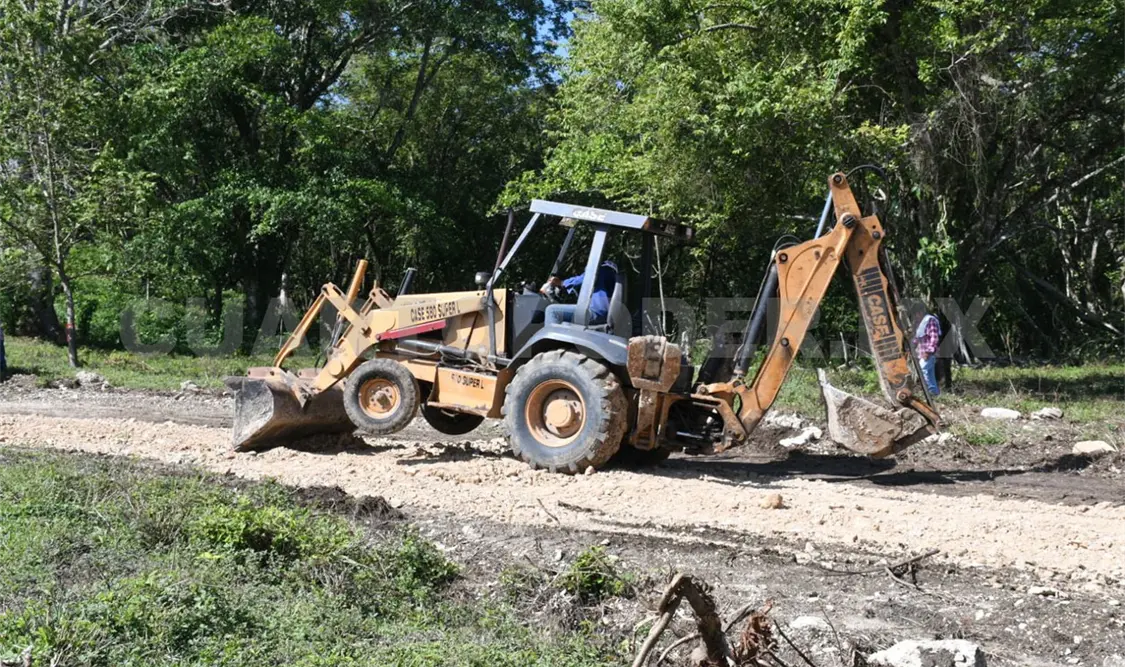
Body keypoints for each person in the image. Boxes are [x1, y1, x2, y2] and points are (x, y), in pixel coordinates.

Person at [542, 260, 618, 326]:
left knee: (552, 310)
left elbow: (584, 278)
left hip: (595, 313)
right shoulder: (612, 277)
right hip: (603, 315)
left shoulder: (603, 271)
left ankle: (551, 342)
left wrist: (562, 283)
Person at [912, 303, 941, 396]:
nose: (915, 317)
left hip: (928, 354)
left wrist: (928, 351)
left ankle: (929, 393)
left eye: (916, 314)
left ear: (920, 312)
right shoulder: (921, 323)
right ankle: (934, 393)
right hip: (923, 354)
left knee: (923, 370)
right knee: (929, 374)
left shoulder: (930, 320)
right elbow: (917, 338)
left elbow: (934, 337)